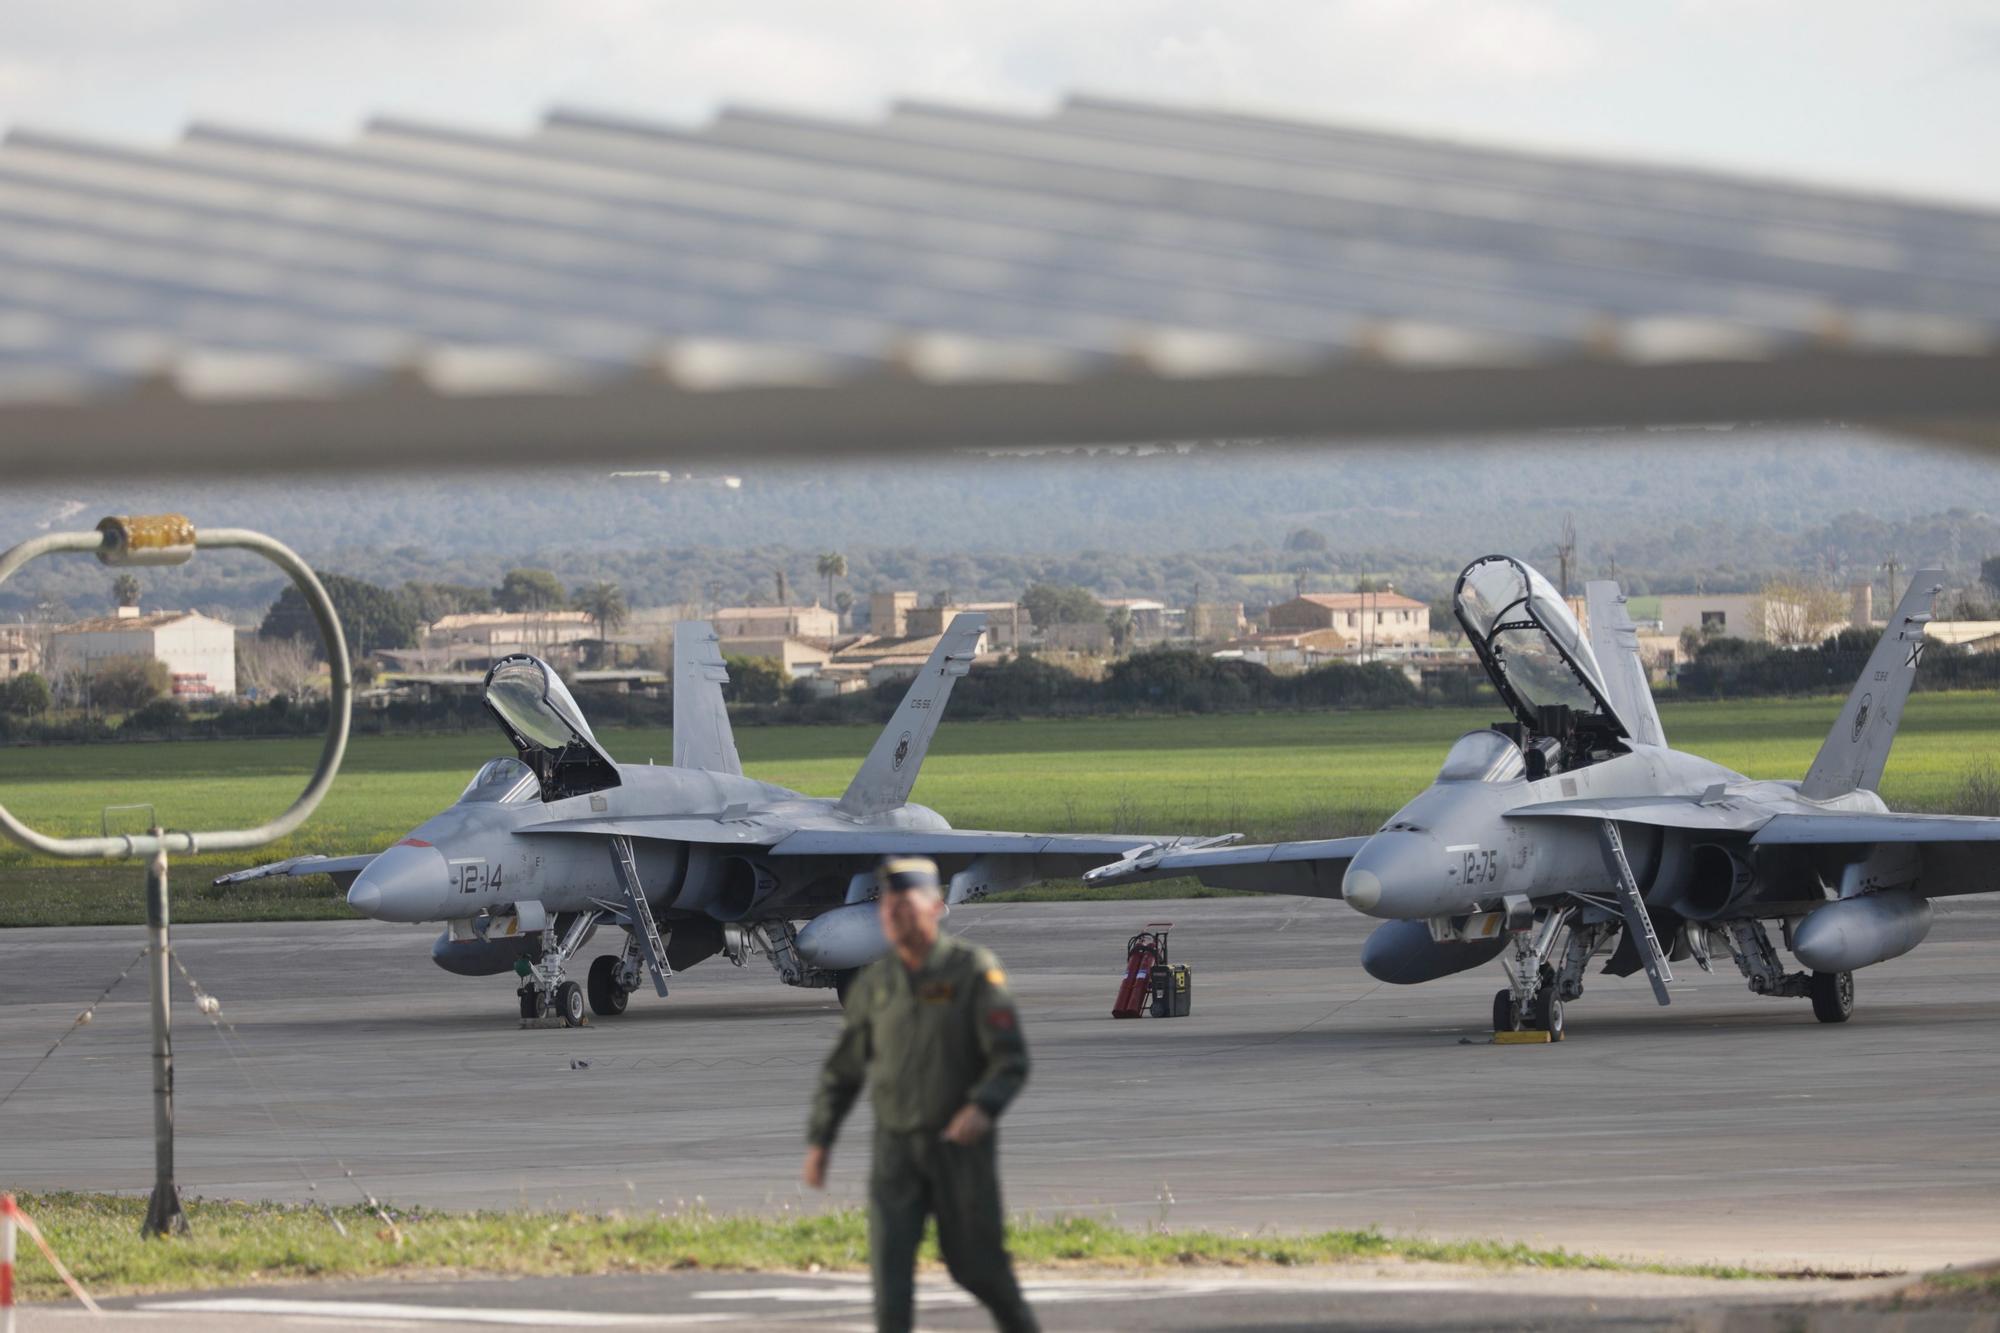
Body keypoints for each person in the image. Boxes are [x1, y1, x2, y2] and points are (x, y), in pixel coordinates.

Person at [803, 856, 1038, 1333]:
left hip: (959, 1150)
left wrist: (982, 1108)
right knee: (890, 1279)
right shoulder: (875, 985)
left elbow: (1011, 1059)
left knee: (976, 1268)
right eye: (892, 907)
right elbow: (843, 1070)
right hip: (896, 1155)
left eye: (909, 906)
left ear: (933, 907)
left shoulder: (972, 972)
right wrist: (821, 1140)